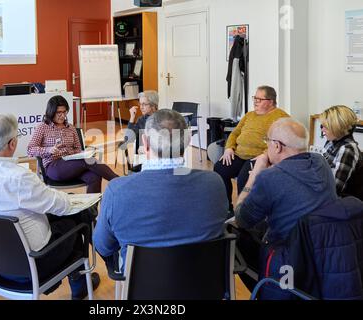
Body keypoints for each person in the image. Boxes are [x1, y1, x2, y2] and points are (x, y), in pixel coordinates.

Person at [0, 113, 100, 299]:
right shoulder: (19, 178)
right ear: (12, 144)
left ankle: (88, 273)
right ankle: (89, 275)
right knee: (80, 216)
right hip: (33, 265)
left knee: (67, 214)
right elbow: (61, 206)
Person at [94, 109, 228, 271]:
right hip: (204, 283)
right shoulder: (214, 183)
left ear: (146, 142)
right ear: (186, 142)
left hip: (141, 286)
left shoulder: (117, 191)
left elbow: (102, 246)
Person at [234, 117, 337, 294]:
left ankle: (263, 288)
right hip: (325, 250)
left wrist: (255, 175)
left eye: (267, 141)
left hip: (287, 258)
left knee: (234, 231)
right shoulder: (322, 163)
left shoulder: (270, 178)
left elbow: (241, 218)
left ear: (277, 146)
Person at [214, 85, 289, 211]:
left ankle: (243, 214)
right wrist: (229, 148)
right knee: (220, 169)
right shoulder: (249, 115)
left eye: (259, 99)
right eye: (254, 98)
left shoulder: (281, 117)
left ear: (270, 101)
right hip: (238, 154)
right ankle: (227, 209)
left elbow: (281, 142)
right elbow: (235, 133)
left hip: (259, 157)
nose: (255, 102)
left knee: (244, 179)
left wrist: (265, 155)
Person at [27, 95, 118, 193]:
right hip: (54, 166)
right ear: (51, 112)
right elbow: (30, 149)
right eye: (58, 112)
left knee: (94, 176)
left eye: (64, 112)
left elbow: (78, 148)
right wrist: (49, 150)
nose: (62, 115)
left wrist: (84, 153)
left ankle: (91, 208)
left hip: (73, 165)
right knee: (88, 160)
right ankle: (120, 181)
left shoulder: (71, 128)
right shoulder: (42, 127)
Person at [319, 105, 361, 195]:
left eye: (325, 126)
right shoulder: (331, 142)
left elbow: (334, 188)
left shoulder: (348, 149)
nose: (322, 129)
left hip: (339, 200)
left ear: (337, 127)